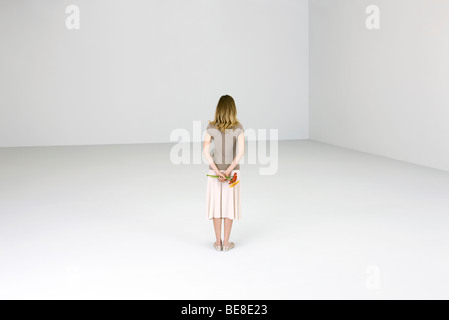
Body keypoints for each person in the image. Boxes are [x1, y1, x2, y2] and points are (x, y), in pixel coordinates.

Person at [203, 95, 245, 252]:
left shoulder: (211, 127)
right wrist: (227, 171)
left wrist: (216, 170)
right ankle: (227, 243)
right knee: (228, 207)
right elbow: (240, 153)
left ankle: (218, 242)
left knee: (216, 206)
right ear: (233, 109)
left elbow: (206, 151)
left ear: (218, 109)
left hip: (214, 173)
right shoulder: (239, 127)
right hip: (232, 174)